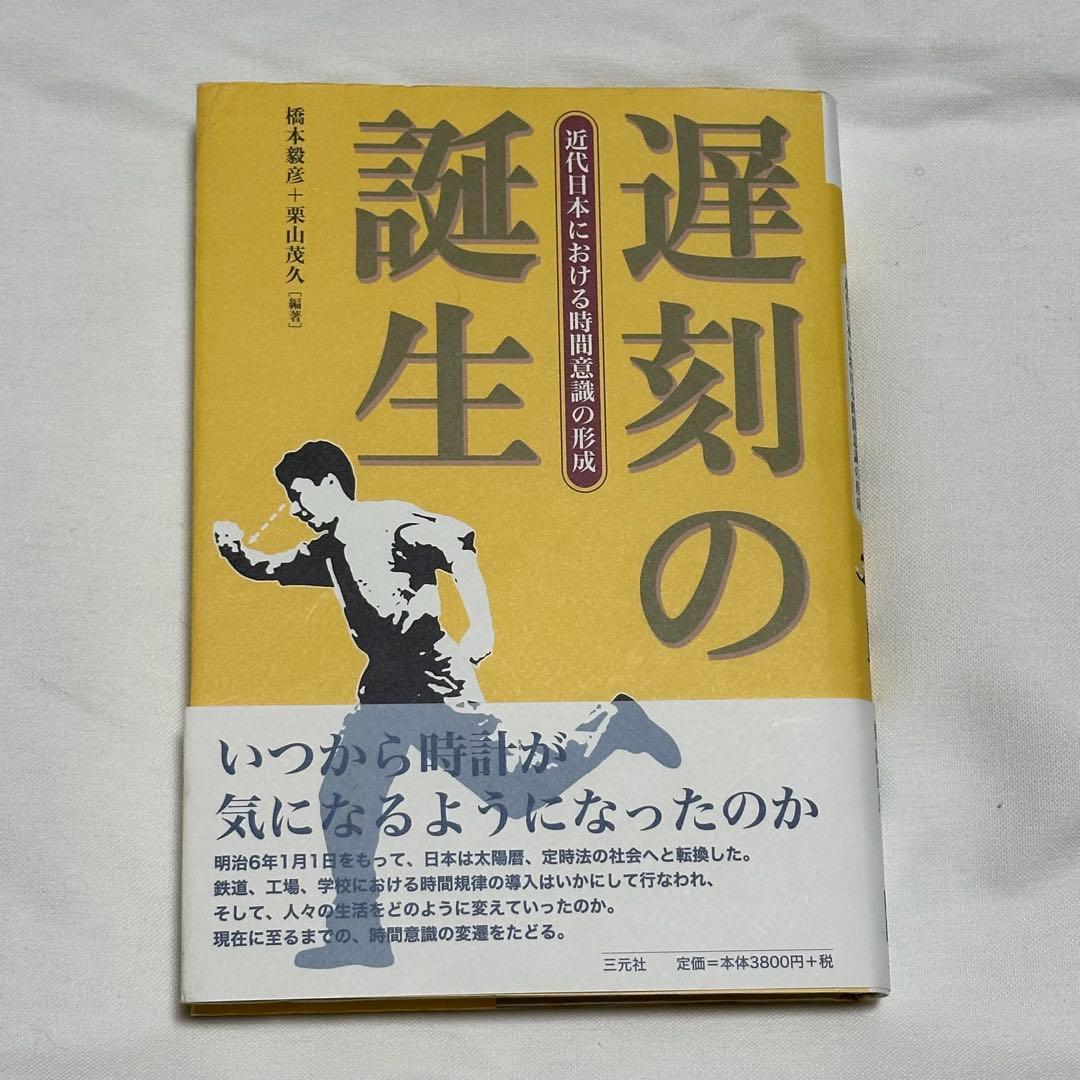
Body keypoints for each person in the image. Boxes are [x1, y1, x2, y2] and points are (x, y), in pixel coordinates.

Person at [214, 439, 680, 968]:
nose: (295, 509)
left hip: (432, 676)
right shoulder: (326, 550)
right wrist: (233, 550)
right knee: (344, 799)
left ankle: (614, 723)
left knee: (515, 795)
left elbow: (458, 544)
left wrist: (481, 624)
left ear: (329, 484)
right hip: (385, 686)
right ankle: (361, 937)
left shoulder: (388, 522)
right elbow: (266, 567)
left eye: (299, 495)